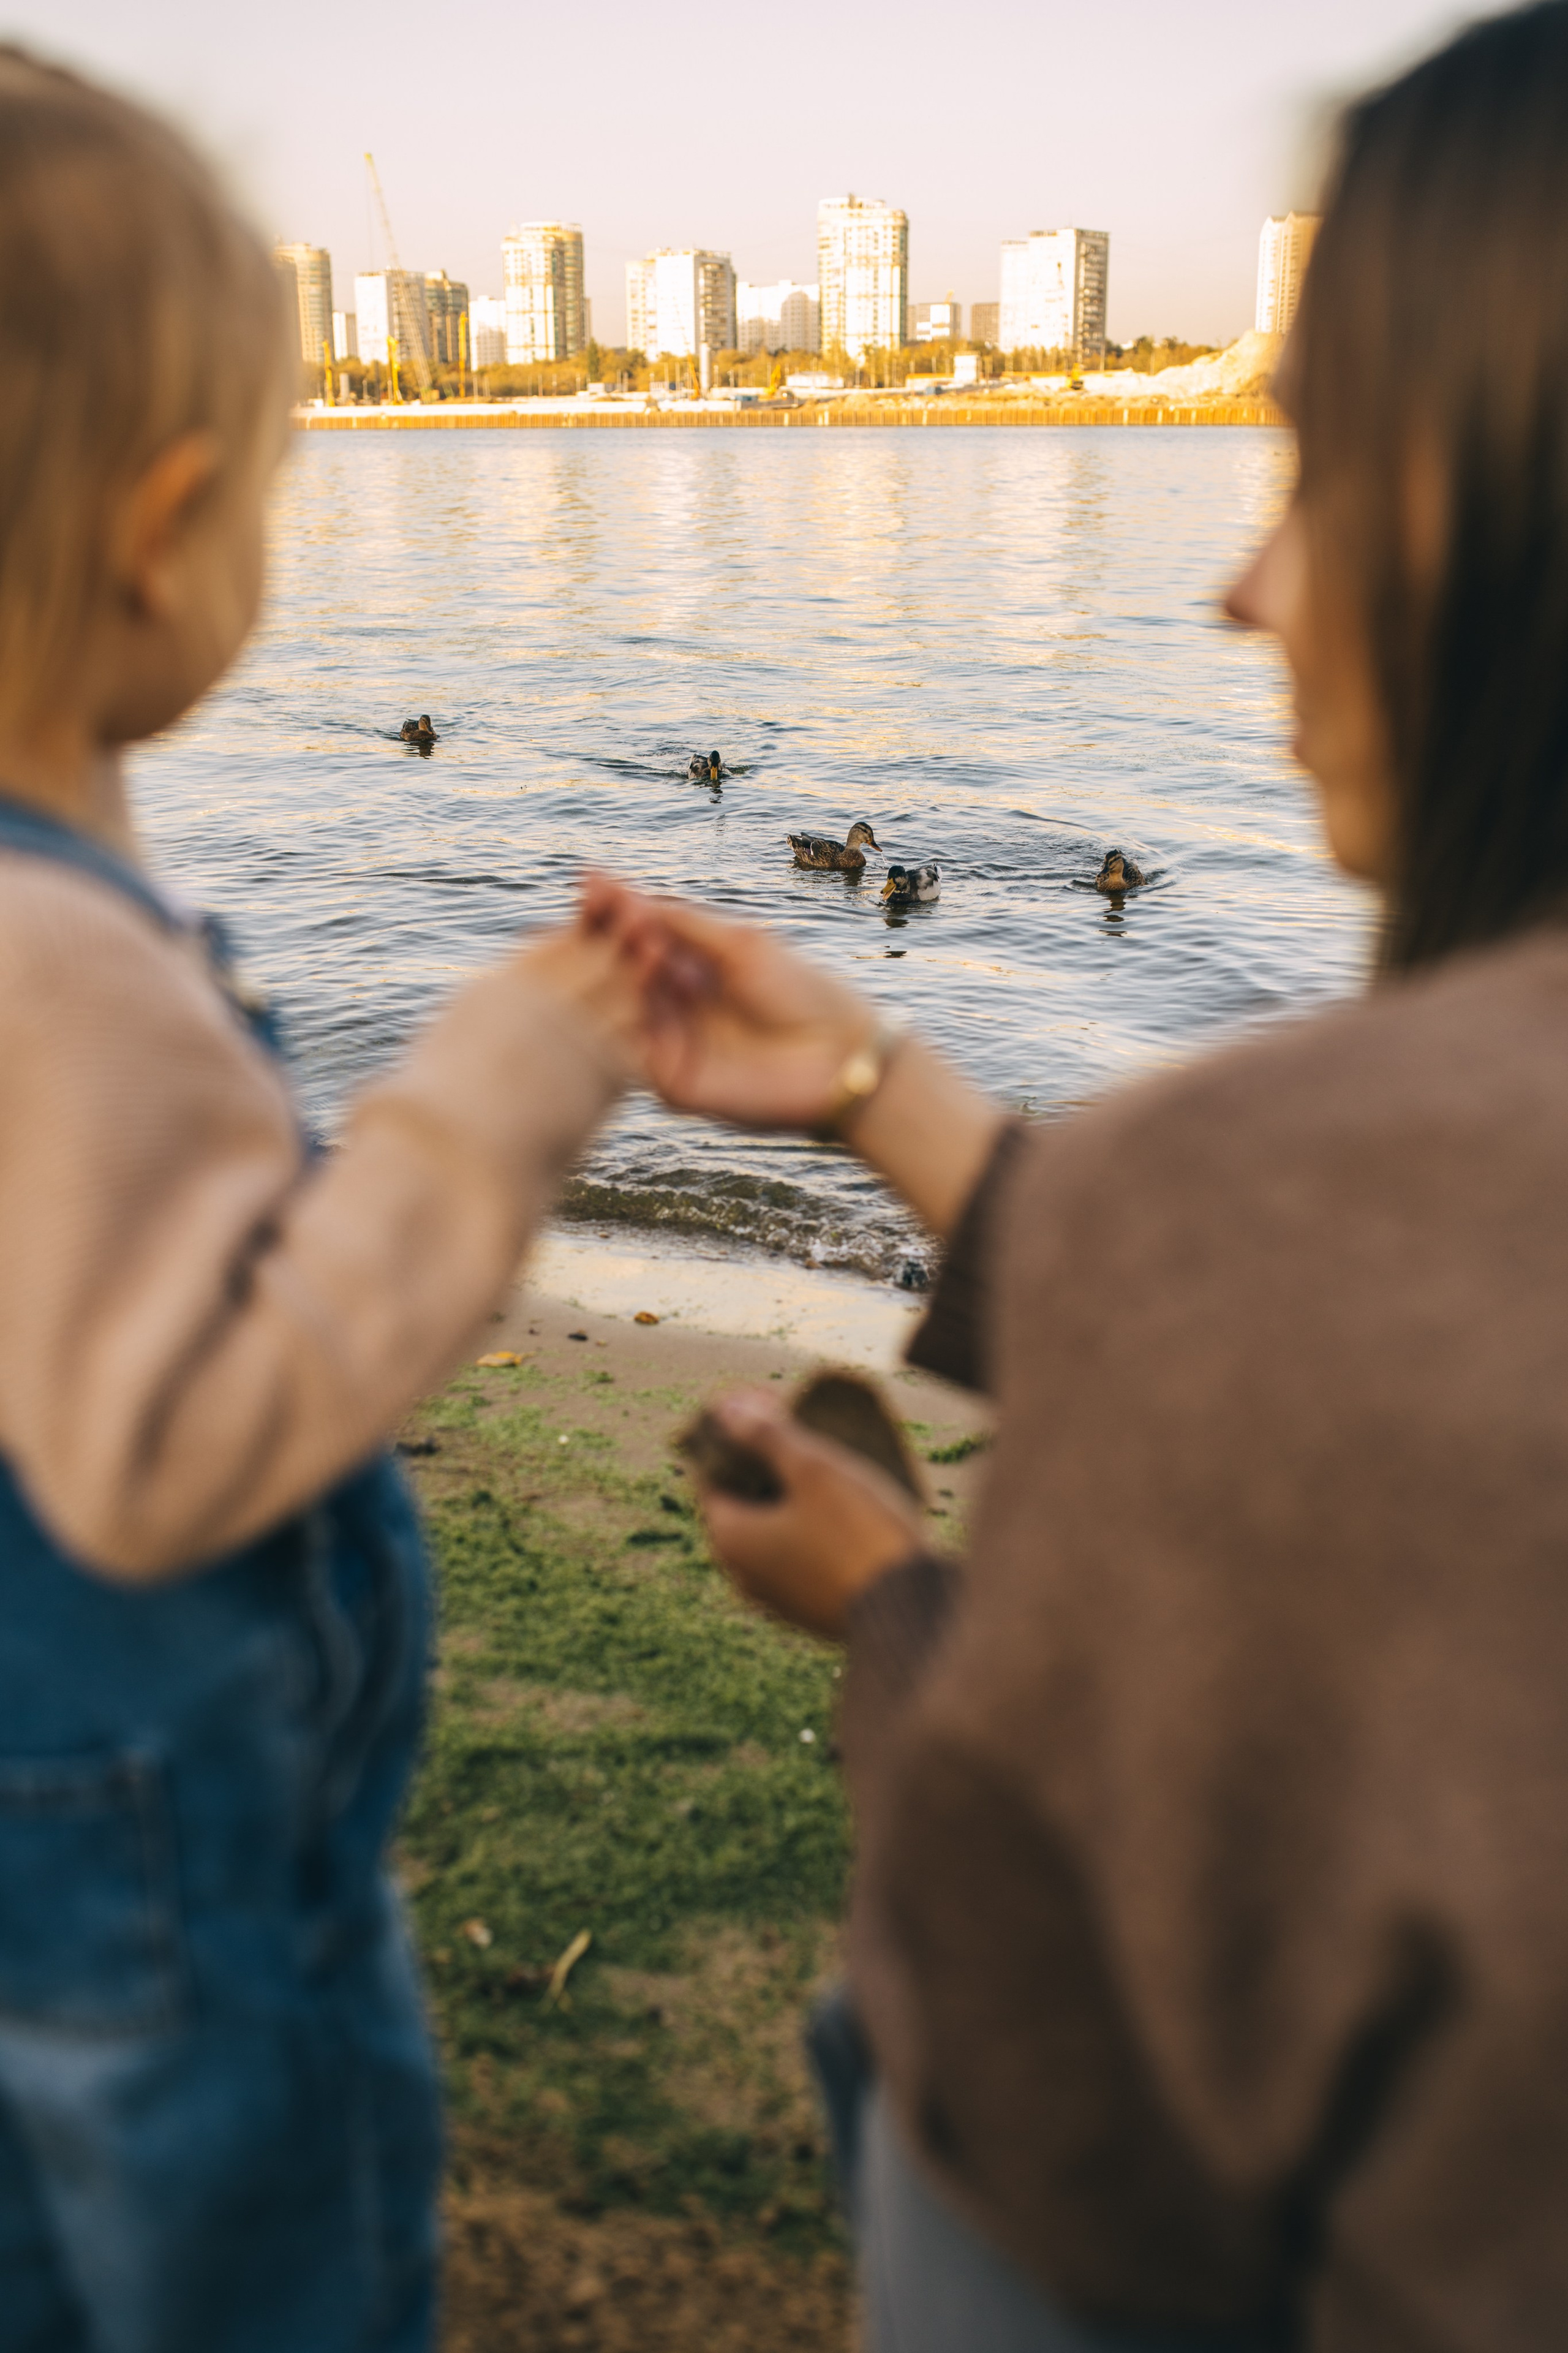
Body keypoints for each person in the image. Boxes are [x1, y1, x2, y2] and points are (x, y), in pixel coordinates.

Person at [595, 5, 1568, 2343]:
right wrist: (882, 1089)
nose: (1245, 591)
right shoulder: (1290, 1230)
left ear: (1489, 516)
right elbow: (1410, 1326)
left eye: (1308, 471)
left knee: (913, 2042)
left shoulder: (1235, 1183)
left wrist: (894, 1614)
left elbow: (1069, 2067)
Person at [0, 53, 638, 2353]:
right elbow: (163, 1445)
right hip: (158, 1860)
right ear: (168, 525)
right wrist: (479, 1110)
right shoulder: (55, 963)